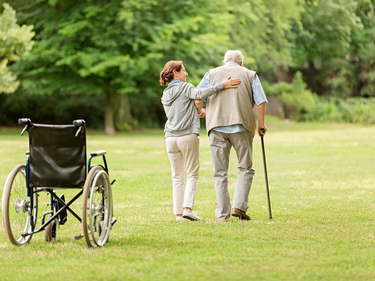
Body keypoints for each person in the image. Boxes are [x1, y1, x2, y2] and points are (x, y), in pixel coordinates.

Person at [159, 60, 241, 221]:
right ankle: (188, 208)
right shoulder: (185, 87)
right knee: (192, 174)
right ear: (175, 73)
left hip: (170, 138)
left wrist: (196, 113)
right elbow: (200, 95)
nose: (186, 73)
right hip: (187, 135)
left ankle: (179, 214)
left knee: (176, 176)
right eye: (183, 70)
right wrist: (222, 85)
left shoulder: (166, 93)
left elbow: (178, 112)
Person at [197, 50, 268, 221]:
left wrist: (201, 111)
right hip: (242, 126)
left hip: (216, 127)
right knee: (245, 168)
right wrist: (261, 124)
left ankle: (222, 215)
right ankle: (239, 206)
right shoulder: (250, 74)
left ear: (224, 62)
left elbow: (198, 98)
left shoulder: (211, 73)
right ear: (240, 63)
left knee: (220, 172)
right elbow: (261, 101)